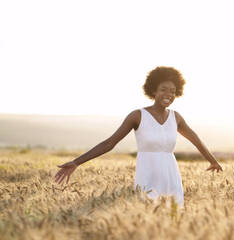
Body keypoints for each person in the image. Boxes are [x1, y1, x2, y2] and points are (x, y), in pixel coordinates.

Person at [54, 66, 223, 206]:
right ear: (153, 90)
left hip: (171, 176)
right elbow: (109, 143)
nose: (169, 94)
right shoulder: (137, 116)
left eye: (173, 91)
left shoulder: (176, 117)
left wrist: (212, 160)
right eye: (163, 89)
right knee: (146, 211)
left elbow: (196, 140)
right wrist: (76, 162)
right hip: (147, 175)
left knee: (172, 218)